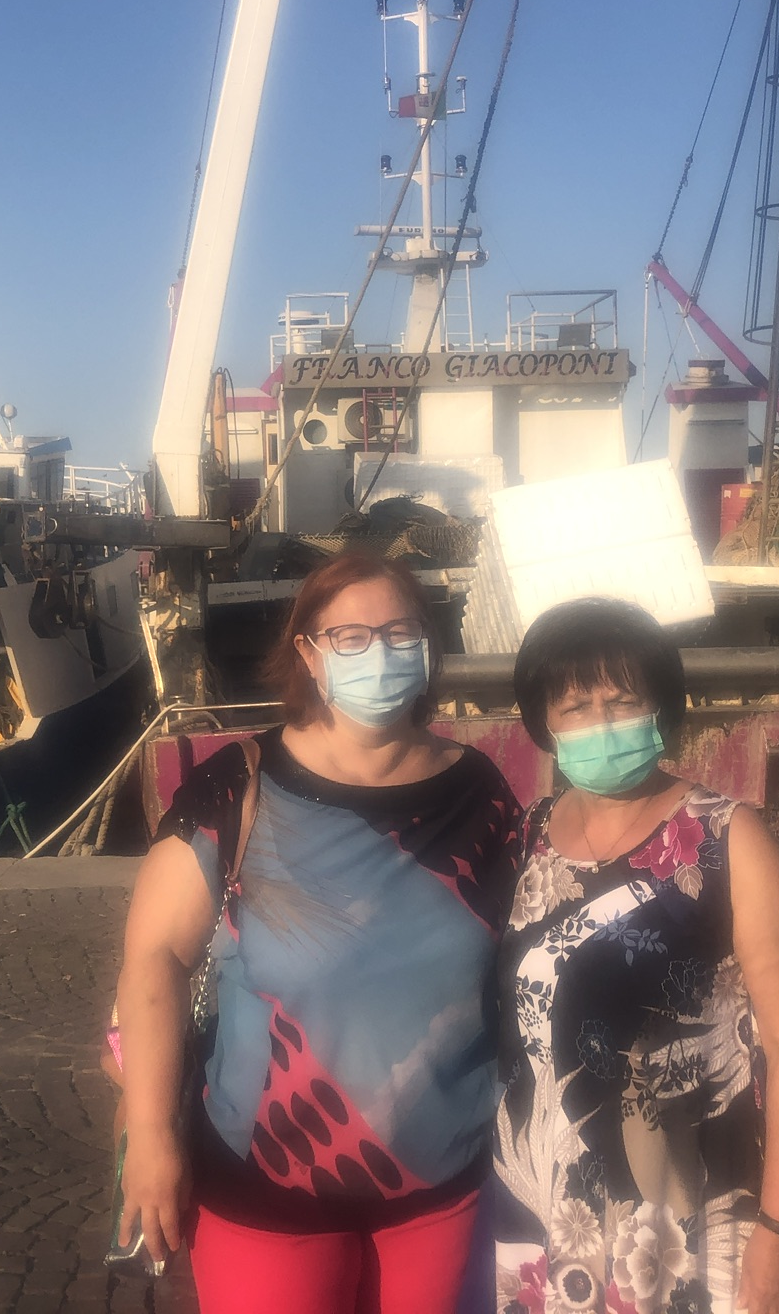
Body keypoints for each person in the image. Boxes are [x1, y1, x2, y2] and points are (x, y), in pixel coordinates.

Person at [116, 553, 522, 1314]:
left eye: (400, 632)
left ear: (428, 644)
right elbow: (156, 957)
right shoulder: (237, 786)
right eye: (351, 637)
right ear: (307, 652)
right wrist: (151, 1136)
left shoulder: (483, 795)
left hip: (445, 1187)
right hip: (265, 1184)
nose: (380, 653)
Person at [492, 598, 779, 1314]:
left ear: (661, 709)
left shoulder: (729, 841)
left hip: (690, 1222)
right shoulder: (527, 838)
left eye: (622, 701)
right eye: (576, 706)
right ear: (544, 722)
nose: (601, 722)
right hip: (549, 1214)